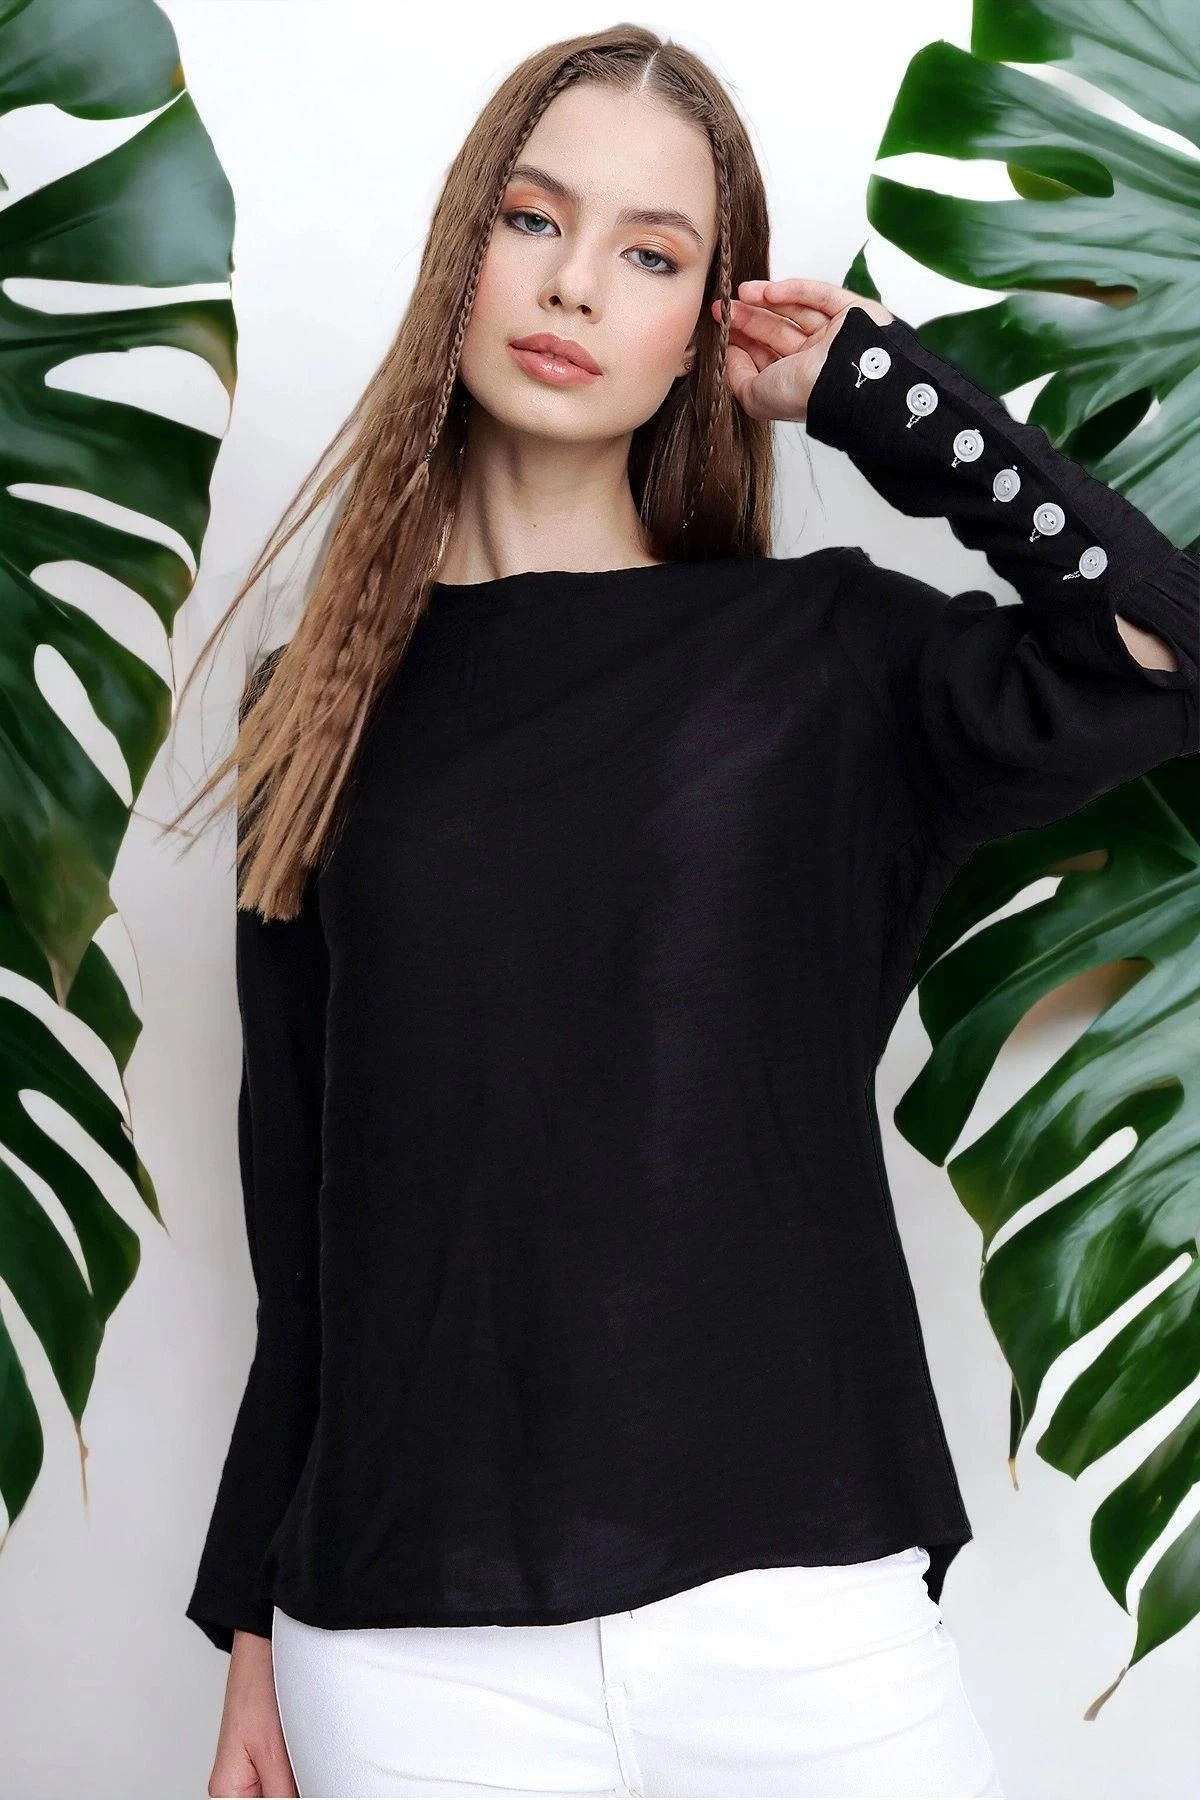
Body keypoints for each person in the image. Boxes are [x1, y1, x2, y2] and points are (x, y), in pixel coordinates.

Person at [171, 24, 1197, 1800]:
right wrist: (251, 1627)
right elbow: (310, 1218)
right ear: (461, 250)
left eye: (650, 253)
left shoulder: (821, 660)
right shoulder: (317, 710)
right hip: (412, 1656)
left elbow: (1163, 655)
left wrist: (887, 396)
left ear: (706, 325)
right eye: (532, 219)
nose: (575, 283)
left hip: (802, 1614)